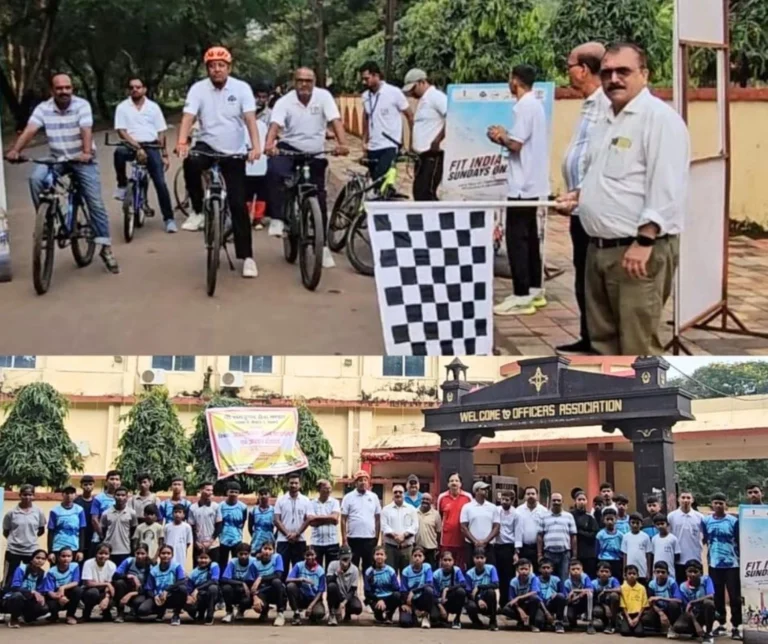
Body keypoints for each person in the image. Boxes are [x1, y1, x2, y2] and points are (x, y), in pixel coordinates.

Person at [556, 42, 690, 355]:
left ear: (644, 74)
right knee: (603, 343)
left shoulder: (659, 119)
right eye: (607, 73)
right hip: (599, 250)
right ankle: (613, 399)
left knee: (637, 346)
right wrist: (580, 196)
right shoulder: (606, 118)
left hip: (635, 253)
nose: (614, 79)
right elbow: (604, 174)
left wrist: (644, 242)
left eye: (623, 71)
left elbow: (667, 186)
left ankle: (647, 404)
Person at [5, 73, 119, 272]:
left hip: (81, 159)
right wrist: (16, 151)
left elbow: (86, 129)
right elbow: (30, 130)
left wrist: (85, 152)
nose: (64, 92)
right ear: (52, 91)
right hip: (57, 158)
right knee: (36, 179)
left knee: (94, 202)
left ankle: (105, 247)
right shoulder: (44, 108)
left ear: (72, 90)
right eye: (59, 88)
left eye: (67, 88)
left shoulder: (82, 105)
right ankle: (46, 223)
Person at [176, 47, 260, 278]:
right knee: (190, 162)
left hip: (233, 151)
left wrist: (255, 146)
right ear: (207, 69)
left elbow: (250, 119)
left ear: (228, 68)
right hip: (207, 146)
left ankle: (247, 257)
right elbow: (188, 117)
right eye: (212, 66)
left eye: (221, 65)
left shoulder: (242, 88)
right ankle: (198, 211)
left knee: (237, 204)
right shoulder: (198, 89)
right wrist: (182, 141)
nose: (217, 69)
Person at [264, 67, 349, 271]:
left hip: (314, 152)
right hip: (290, 149)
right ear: (294, 82)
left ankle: (324, 246)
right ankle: (278, 218)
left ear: (315, 82)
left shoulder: (324, 97)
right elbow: (275, 125)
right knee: (274, 171)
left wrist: (343, 143)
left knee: (319, 197)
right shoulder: (285, 101)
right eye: (300, 80)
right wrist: (269, 145)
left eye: (309, 81)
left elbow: (335, 121)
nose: (304, 84)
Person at [557, 42, 610, 354]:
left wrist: (584, 194)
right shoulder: (590, 103)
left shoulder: (606, 105)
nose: (568, 72)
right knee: (582, 273)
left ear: (584, 69)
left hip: (592, 208)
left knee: (593, 277)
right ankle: (588, 335)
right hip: (578, 207)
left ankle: (599, 340)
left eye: (570, 66)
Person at [490, 64, 550, 317]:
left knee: (517, 241)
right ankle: (535, 289)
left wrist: (498, 136)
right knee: (529, 237)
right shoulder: (534, 106)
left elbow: (515, 144)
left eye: (509, 78)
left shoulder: (525, 106)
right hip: (532, 183)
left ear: (515, 81)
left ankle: (521, 294)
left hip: (522, 185)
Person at [113, 78, 175, 231]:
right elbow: (121, 131)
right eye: (132, 87)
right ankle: (122, 185)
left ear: (144, 89)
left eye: (138, 87)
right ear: (128, 90)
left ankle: (169, 219)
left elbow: (161, 131)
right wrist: (136, 146)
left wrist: (164, 154)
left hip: (151, 146)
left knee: (160, 183)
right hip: (130, 145)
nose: (135, 90)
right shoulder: (122, 107)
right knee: (118, 153)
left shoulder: (153, 107)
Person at [359, 61, 413, 182]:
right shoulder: (365, 96)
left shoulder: (393, 92)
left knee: (381, 178)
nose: (364, 82)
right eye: (362, 79)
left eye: (366, 78)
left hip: (389, 144)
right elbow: (366, 117)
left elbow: (409, 115)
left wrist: (410, 143)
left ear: (376, 75)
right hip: (373, 146)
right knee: (375, 182)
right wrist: (364, 141)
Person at [702, 492, 742, 640]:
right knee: (717, 596)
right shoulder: (706, 521)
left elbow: (739, 540)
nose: (718, 505)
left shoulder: (733, 521)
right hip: (714, 565)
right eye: (716, 502)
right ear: (711, 504)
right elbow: (706, 540)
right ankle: (721, 624)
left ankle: (736, 626)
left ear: (726, 504)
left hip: (732, 564)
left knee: (734, 597)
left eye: (721, 503)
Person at [403, 68, 447, 201]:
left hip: (432, 155)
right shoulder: (424, 100)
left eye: (413, 88)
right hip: (421, 156)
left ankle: (437, 220)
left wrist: (438, 140)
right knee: (419, 192)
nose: (412, 93)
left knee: (426, 193)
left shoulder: (436, 97)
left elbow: (452, 117)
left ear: (422, 82)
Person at [2, 483, 46, 588]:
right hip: (13, 551)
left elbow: (41, 530)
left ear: (33, 496)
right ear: (20, 495)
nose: (27, 497)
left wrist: (29, 538)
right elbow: (6, 531)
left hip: (31, 551)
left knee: (29, 577)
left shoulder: (38, 512)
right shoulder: (11, 513)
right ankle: (5, 600)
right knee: (9, 578)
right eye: (25, 494)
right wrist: (16, 540)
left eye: (30, 494)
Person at [341, 470, 381, 576]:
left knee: (368, 569)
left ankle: (367, 592)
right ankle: (352, 592)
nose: (363, 482)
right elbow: (343, 519)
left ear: (368, 483)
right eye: (360, 480)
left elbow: (377, 519)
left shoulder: (374, 497)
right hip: (353, 539)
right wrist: (344, 539)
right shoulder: (348, 497)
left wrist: (376, 537)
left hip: (369, 539)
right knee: (352, 568)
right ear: (355, 483)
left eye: (365, 480)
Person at [274, 473, 312, 577]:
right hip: (283, 541)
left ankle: (296, 593)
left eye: (296, 483)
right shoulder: (280, 500)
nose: (293, 485)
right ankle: (281, 593)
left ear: (300, 484)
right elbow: (277, 520)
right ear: (287, 483)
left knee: (299, 570)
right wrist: (288, 534)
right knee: (282, 571)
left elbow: (308, 519)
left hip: (300, 541)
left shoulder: (306, 500)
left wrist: (297, 534)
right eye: (291, 483)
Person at [139, 544, 188, 625]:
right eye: (163, 553)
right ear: (159, 555)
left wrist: (167, 590)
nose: (166, 555)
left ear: (172, 555)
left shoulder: (176, 566)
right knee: (143, 610)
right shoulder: (154, 570)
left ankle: (176, 615)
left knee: (183, 589)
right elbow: (149, 588)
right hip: (158, 598)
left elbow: (182, 581)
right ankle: (160, 611)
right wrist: (154, 597)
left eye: (168, 553)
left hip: (171, 596)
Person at [2, 548, 50, 629]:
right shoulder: (22, 568)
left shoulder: (43, 574)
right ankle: (14, 618)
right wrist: (32, 591)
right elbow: (15, 587)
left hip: (28, 600)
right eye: (37, 558)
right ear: (32, 559)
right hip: (11, 598)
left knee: (44, 608)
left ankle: (26, 617)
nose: (40, 561)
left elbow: (40, 591)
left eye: (43, 559)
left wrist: (41, 597)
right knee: (17, 596)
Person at [672, 560, 716, 644]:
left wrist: (693, 602)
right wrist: (695, 623)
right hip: (693, 614)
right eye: (690, 571)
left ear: (701, 572)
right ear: (686, 572)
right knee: (678, 627)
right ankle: (696, 631)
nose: (692, 574)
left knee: (709, 603)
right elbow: (687, 608)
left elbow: (711, 596)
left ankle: (709, 633)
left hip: (705, 611)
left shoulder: (706, 579)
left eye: (695, 572)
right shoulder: (683, 587)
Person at [539, 492, 578, 583]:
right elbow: (540, 536)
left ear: (562, 502)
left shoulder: (569, 516)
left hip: (564, 554)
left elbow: (573, 536)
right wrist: (539, 554)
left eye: (558, 500)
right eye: (554, 500)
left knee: (564, 579)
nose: (556, 502)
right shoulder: (543, 516)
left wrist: (574, 555)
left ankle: (563, 597)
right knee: (548, 578)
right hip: (548, 553)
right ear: (550, 502)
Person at [460, 480, 500, 567]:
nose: (486, 491)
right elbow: (463, 527)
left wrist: (485, 541)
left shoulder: (492, 507)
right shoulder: (467, 507)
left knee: (490, 569)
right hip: (471, 545)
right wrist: (475, 542)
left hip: (489, 545)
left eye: (487, 489)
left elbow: (496, 527)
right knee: (471, 570)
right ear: (476, 491)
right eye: (484, 489)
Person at [437, 472, 472, 571]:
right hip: (446, 540)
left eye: (456, 481)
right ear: (448, 484)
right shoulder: (442, 497)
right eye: (451, 481)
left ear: (460, 484)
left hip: (462, 539)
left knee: (460, 567)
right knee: (446, 566)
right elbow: (439, 517)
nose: (454, 483)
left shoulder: (468, 497)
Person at [668, 491, 704, 584]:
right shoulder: (671, 516)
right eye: (683, 497)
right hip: (678, 558)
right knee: (680, 584)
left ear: (692, 500)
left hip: (695, 556)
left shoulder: (699, 517)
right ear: (678, 499)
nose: (685, 500)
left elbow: (705, 536)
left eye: (688, 498)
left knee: (696, 585)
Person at [381, 483, 420, 572]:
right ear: (392, 494)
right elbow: (384, 526)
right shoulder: (386, 509)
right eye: (395, 492)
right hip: (391, 548)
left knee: (407, 574)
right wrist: (395, 536)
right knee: (391, 574)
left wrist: (404, 536)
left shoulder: (411, 509)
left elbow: (415, 526)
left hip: (407, 548)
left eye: (400, 492)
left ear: (404, 494)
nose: (398, 494)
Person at [285, 546, 326, 625]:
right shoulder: (299, 565)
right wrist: (301, 579)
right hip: (301, 596)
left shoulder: (320, 571)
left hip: (314, 598)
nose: (310, 557)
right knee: (290, 586)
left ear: (316, 555)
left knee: (319, 613)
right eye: (307, 555)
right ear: (304, 556)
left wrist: (310, 606)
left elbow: (321, 591)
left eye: (312, 555)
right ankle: (296, 613)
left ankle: (312, 614)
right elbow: (288, 579)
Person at [47, 485, 86, 564]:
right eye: (67, 493)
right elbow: (50, 531)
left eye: (72, 493)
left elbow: (82, 531)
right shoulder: (55, 511)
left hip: (74, 547)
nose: (69, 496)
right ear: (62, 494)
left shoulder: (79, 510)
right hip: (58, 547)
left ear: (75, 495)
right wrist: (50, 551)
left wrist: (81, 550)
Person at [112, 543, 151, 622]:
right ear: (134, 553)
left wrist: (131, 594)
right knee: (119, 583)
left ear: (147, 554)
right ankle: (120, 613)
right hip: (126, 589)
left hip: (140, 592)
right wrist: (130, 576)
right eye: (138, 553)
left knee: (138, 603)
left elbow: (148, 587)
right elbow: (115, 575)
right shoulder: (129, 561)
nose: (140, 556)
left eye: (143, 553)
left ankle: (135, 611)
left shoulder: (150, 566)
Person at [251, 540, 287, 626]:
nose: (267, 551)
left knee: (277, 582)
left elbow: (278, 575)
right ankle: (264, 612)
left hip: (274, 589)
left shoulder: (277, 557)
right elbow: (253, 582)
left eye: (270, 549)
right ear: (261, 550)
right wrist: (255, 597)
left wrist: (261, 578)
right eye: (265, 548)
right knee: (258, 607)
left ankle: (280, 613)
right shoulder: (255, 563)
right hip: (262, 590)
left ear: (273, 551)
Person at [44, 547, 84, 625]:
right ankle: (54, 615)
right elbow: (49, 591)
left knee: (78, 590)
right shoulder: (51, 571)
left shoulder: (75, 566)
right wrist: (59, 597)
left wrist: (63, 587)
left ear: (72, 557)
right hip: (55, 595)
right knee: (51, 605)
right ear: (58, 557)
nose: (66, 558)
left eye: (69, 556)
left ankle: (70, 615)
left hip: (68, 593)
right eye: (63, 556)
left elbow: (76, 582)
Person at [220, 542, 258, 622]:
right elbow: (224, 579)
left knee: (247, 599)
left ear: (249, 554)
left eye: (246, 554)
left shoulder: (254, 562)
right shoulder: (233, 562)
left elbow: (258, 577)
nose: (243, 556)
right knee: (226, 588)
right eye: (241, 554)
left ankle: (241, 611)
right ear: (237, 554)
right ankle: (229, 612)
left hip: (249, 588)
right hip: (236, 586)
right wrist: (242, 583)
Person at [502, 557, 543, 632]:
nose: (524, 571)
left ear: (529, 569)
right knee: (506, 609)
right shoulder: (513, 582)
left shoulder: (533, 578)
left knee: (539, 619)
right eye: (521, 569)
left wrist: (519, 597)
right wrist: (520, 610)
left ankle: (532, 623)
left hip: (532, 605)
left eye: (526, 569)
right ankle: (521, 620)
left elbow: (535, 592)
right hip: (520, 605)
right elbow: (512, 600)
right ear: (517, 570)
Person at [515, 485, 549, 574]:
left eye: (533, 493)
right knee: (524, 572)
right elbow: (517, 530)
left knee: (538, 572)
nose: (530, 495)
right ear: (525, 496)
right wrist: (517, 550)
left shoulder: (544, 511)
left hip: (538, 548)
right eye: (528, 494)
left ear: (537, 496)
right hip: (524, 547)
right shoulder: (518, 510)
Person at [326, 545, 363, 625]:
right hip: (337, 593)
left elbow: (353, 590)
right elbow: (328, 581)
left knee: (357, 608)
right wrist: (337, 573)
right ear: (339, 557)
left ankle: (347, 613)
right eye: (343, 558)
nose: (346, 561)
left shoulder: (355, 569)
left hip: (347, 594)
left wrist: (343, 603)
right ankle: (332, 613)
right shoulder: (333, 565)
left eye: (348, 558)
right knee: (331, 586)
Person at [308, 479, 341, 569]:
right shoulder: (312, 503)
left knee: (331, 570)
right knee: (315, 569)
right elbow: (311, 522)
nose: (328, 490)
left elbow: (335, 518)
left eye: (330, 488)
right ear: (319, 489)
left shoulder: (335, 502)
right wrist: (329, 519)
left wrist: (317, 517)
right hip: (316, 543)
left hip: (332, 542)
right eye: (325, 488)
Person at [398, 546, 434, 629]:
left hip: (423, 599)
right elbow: (403, 590)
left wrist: (414, 591)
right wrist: (406, 604)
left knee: (429, 590)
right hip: (410, 601)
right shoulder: (406, 571)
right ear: (412, 557)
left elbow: (430, 584)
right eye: (415, 556)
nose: (417, 558)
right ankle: (415, 614)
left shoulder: (427, 567)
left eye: (420, 556)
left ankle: (425, 615)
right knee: (405, 622)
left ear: (424, 557)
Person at [464, 547, 499, 631]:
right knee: (469, 605)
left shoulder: (491, 569)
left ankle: (493, 621)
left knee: (491, 592)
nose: (479, 560)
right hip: (475, 599)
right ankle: (476, 622)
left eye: (482, 558)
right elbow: (468, 592)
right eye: (477, 558)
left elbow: (496, 584)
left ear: (485, 559)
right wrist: (478, 600)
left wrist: (479, 587)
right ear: (473, 559)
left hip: (488, 598)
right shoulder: (469, 573)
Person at [363, 545, 401, 623]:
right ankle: (378, 615)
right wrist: (378, 600)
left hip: (388, 597)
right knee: (379, 618)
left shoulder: (390, 571)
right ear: (373, 556)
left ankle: (389, 615)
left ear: (385, 557)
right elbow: (367, 591)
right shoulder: (369, 571)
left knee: (397, 595)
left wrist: (385, 601)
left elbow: (396, 588)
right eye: (377, 554)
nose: (379, 556)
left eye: (381, 554)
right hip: (375, 598)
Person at [101, 486, 137, 565]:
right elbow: (103, 530)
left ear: (127, 497)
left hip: (125, 550)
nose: (120, 497)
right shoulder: (106, 513)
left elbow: (133, 530)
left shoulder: (132, 513)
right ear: (114, 496)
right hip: (109, 550)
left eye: (123, 495)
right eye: (118, 495)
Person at [644, 561, 682, 637]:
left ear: (667, 573)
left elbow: (679, 600)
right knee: (645, 618)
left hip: (670, 610)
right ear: (654, 572)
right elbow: (651, 601)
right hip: (659, 610)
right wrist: (661, 613)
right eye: (658, 572)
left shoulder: (672, 582)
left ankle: (673, 627)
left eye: (663, 572)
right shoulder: (652, 584)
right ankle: (659, 627)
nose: (660, 574)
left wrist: (660, 598)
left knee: (673, 604)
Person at [81, 543, 117, 622]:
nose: (103, 556)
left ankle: (106, 612)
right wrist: (106, 583)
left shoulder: (112, 565)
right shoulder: (88, 563)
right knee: (93, 592)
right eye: (100, 553)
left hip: (104, 591)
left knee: (112, 594)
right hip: (90, 590)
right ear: (96, 554)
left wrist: (107, 598)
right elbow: (88, 583)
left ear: (109, 555)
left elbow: (110, 585)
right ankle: (86, 612)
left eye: (106, 554)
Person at [431, 550, 466, 629]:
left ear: (453, 561)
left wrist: (447, 589)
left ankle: (457, 619)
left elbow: (463, 584)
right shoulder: (436, 574)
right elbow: (434, 594)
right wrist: (441, 607)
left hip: (452, 598)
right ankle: (443, 618)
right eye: (445, 560)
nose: (447, 562)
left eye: (449, 560)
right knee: (434, 618)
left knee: (461, 592)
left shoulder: (457, 570)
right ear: (441, 561)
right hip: (440, 601)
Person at [184, 549, 220, 625]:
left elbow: (214, 580)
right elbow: (189, 588)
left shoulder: (214, 566)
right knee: (185, 600)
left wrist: (197, 588)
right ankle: (199, 614)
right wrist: (188, 596)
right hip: (199, 596)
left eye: (206, 558)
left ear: (210, 559)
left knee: (213, 588)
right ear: (197, 559)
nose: (203, 560)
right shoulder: (193, 573)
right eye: (201, 558)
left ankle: (210, 615)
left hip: (212, 595)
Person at [189, 482, 221, 564]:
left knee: (214, 569)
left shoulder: (216, 507)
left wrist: (211, 541)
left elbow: (219, 525)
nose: (210, 492)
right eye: (207, 490)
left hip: (213, 544)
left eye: (211, 490)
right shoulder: (193, 508)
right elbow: (192, 527)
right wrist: (196, 541)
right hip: (198, 545)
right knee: (197, 569)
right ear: (201, 490)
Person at [219, 482, 248, 569]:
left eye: (236, 492)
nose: (233, 494)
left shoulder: (243, 507)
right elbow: (219, 523)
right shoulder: (220, 506)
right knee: (222, 563)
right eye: (231, 491)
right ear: (227, 492)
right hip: (223, 540)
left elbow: (243, 522)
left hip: (237, 539)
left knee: (236, 562)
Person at [495, 490, 518, 598]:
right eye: (502, 499)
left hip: (509, 546)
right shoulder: (496, 510)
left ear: (512, 501)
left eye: (507, 500)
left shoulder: (516, 513)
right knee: (498, 575)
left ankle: (508, 600)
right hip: (497, 546)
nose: (504, 502)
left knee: (508, 576)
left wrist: (516, 552)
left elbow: (518, 532)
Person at [90, 470, 121, 549]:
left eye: (117, 479)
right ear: (106, 482)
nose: (114, 482)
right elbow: (94, 519)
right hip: (100, 536)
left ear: (120, 482)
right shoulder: (99, 498)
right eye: (112, 479)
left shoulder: (124, 498)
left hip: (118, 536)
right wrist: (102, 535)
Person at [564, 558, 596, 634]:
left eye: (578, 569)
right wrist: (575, 597)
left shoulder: (585, 577)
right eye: (573, 569)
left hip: (584, 602)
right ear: (569, 571)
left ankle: (590, 623)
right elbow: (566, 600)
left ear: (582, 570)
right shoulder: (567, 582)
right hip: (573, 603)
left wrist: (575, 591)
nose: (576, 571)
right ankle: (573, 622)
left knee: (589, 595)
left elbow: (590, 590)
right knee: (570, 617)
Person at [573, 490, 600, 578]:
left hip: (588, 553)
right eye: (579, 499)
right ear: (575, 501)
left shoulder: (590, 517)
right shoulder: (570, 516)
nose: (581, 502)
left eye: (583, 499)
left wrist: (579, 532)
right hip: (575, 552)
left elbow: (594, 534)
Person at [537, 557, 567, 633]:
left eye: (548, 568)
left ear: (552, 569)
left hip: (551, 603)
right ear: (539, 569)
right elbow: (536, 597)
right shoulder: (535, 580)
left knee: (560, 596)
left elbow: (564, 594)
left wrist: (556, 594)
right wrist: (546, 612)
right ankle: (544, 620)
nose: (546, 570)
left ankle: (559, 622)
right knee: (539, 623)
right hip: (540, 605)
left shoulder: (556, 579)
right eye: (543, 568)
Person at [621, 512, 653, 586]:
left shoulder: (645, 537)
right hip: (630, 570)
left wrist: (648, 571)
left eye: (637, 523)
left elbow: (648, 554)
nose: (635, 525)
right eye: (633, 523)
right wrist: (624, 571)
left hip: (642, 570)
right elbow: (625, 555)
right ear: (629, 523)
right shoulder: (626, 537)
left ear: (641, 524)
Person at [619, 563, 649, 637]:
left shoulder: (642, 588)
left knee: (639, 633)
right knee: (625, 632)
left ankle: (637, 625)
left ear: (637, 575)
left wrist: (637, 618)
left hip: (638, 614)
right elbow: (623, 605)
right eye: (629, 573)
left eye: (634, 573)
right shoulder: (622, 587)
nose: (632, 575)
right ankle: (621, 621)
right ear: (625, 575)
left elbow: (644, 604)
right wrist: (629, 619)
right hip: (627, 614)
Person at [592, 561, 621, 634]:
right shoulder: (594, 583)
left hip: (613, 605)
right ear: (597, 573)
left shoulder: (613, 580)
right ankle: (605, 622)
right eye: (602, 571)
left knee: (614, 595)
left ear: (610, 573)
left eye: (606, 571)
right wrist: (606, 607)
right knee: (597, 612)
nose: (604, 573)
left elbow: (619, 589)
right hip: (600, 605)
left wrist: (606, 591)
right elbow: (595, 599)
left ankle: (612, 624)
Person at [414, 493, 441, 569]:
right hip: (418, 548)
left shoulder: (436, 514)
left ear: (431, 501)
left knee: (431, 570)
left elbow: (439, 532)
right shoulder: (414, 512)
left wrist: (438, 547)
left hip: (431, 548)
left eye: (427, 499)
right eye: (423, 499)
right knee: (418, 570)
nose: (425, 501)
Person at [597, 507, 624, 582]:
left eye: (612, 519)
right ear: (603, 520)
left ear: (616, 519)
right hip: (604, 560)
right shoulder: (600, 535)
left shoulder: (620, 535)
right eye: (607, 519)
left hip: (617, 561)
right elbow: (597, 550)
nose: (609, 522)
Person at [163, 504, 193, 570]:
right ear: (172, 514)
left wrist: (181, 547)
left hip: (181, 552)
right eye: (175, 512)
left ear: (183, 515)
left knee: (180, 569)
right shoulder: (167, 526)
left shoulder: (187, 527)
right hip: (169, 553)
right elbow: (164, 542)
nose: (177, 514)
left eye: (179, 512)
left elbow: (188, 543)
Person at [248, 487, 275, 555]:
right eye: (261, 494)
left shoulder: (274, 510)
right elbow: (250, 527)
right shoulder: (253, 510)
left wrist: (274, 537)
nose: (263, 496)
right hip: (256, 541)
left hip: (269, 540)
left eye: (265, 494)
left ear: (269, 495)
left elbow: (277, 526)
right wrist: (255, 535)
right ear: (258, 496)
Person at [74, 475, 96, 557]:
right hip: (79, 535)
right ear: (81, 486)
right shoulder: (76, 502)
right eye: (85, 484)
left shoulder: (96, 502)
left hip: (92, 535)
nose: (88, 487)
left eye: (90, 484)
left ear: (94, 485)